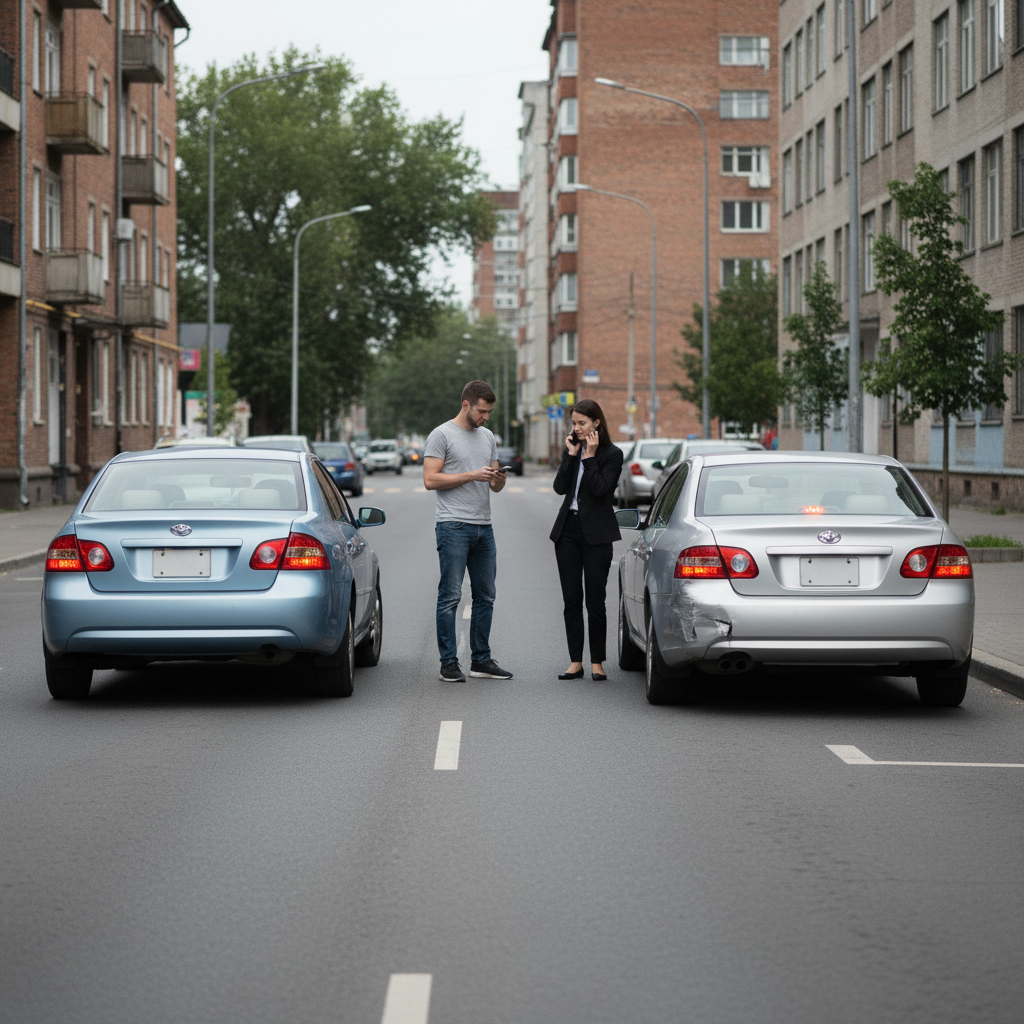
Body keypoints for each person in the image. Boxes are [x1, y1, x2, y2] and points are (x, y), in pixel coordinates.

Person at [423, 380, 513, 683]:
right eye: (482, 411)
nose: (486, 417)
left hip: (483, 527)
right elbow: (430, 480)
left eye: (489, 412)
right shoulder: (441, 435)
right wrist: (471, 474)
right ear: (466, 405)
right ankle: (448, 663)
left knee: (486, 596)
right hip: (453, 525)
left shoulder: (487, 437)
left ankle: (481, 660)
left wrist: (497, 478)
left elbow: (495, 486)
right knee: (450, 597)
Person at [550, 399, 623, 681]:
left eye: (582, 423)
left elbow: (601, 490)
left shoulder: (612, 455)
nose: (576, 428)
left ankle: (597, 662)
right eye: (574, 423)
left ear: (596, 423)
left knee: (595, 600)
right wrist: (571, 456)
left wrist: (590, 458)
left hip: (597, 535)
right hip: (567, 531)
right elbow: (559, 488)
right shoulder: (574, 449)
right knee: (571, 600)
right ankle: (575, 661)